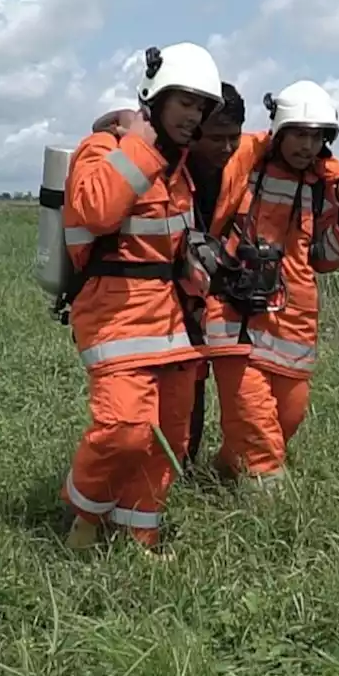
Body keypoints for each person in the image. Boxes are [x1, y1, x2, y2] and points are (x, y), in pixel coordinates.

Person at [59, 42, 223, 558]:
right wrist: (138, 142)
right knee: (125, 430)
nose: (194, 116)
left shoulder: (179, 169)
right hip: (114, 314)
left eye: (201, 107)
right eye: (185, 103)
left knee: (164, 441)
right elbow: (95, 211)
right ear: (157, 96)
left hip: (171, 321)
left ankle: (139, 539)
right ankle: (84, 517)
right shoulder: (106, 149)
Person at [207, 80, 339, 486]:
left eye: (316, 137)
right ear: (279, 131)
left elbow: (324, 258)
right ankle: (269, 507)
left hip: (291, 324)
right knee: (258, 432)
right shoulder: (245, 162)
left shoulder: (325, 188)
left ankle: (223, 471)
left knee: (286, 419)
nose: (306, 145)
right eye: (298, 133)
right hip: (234, 314)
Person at [95, 85, 246, 470]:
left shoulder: (241, 159)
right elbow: (107, 132)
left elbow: (287, 139)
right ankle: (150, 468)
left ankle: (178, 467)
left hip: (200, 292)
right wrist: (125, 121)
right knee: (158, 388)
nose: (226, 148)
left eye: (234, 138)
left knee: (190, 379)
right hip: (153, 294)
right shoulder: (162, 158)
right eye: (215, 138)